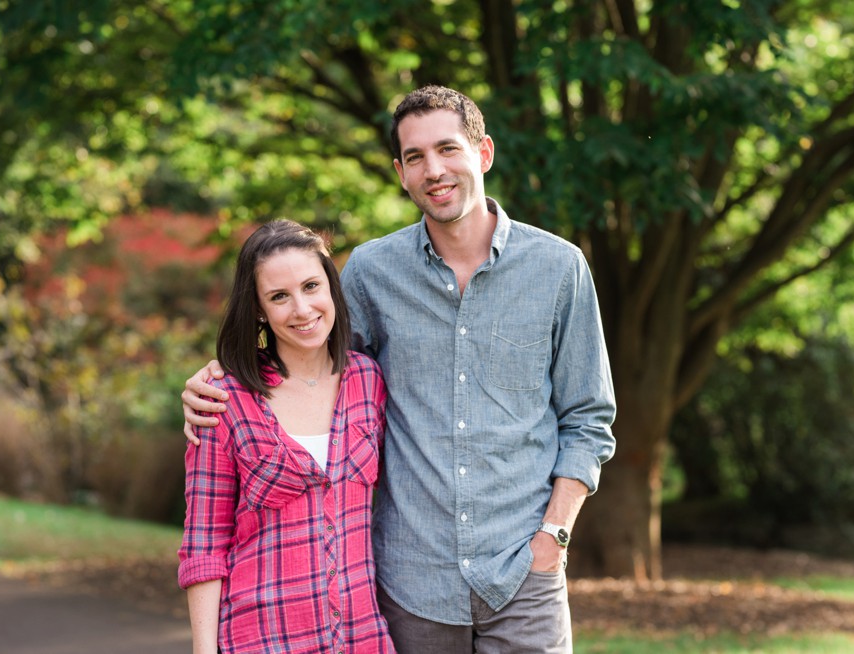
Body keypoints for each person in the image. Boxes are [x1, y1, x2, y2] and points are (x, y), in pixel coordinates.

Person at [182, 86, 616, 653]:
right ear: (400, 173)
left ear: (483, 152)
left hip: (524, 576)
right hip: (410, 584)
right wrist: (222, 375)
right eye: (415, 157)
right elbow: (311, 354)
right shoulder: (370, 272)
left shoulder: (560, 268)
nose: (434, 170)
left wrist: (554, 536)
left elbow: (587, 419)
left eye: (448, 149)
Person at [177, 219, 395, 654]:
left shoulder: (368, 380)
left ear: (332, 288)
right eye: (279, 296)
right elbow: (204, 542)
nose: (302, 308)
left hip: (362, 637)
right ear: (258, 309)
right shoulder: (223, 399)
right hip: (264, 638)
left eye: (312, 286)